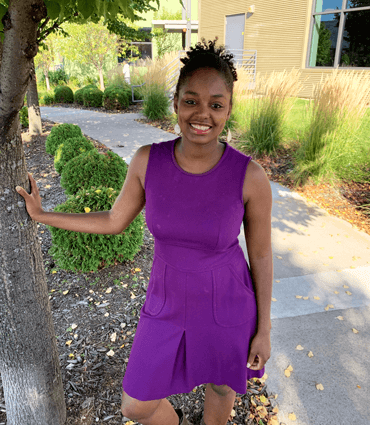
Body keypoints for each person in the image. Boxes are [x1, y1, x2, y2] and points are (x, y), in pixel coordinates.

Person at [16, 38, 273, 425]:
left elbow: (263, 256)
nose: (202, 113)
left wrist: (264, 329)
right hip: (164, 303)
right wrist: (43, 215)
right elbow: (114, 220)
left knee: (221, 386)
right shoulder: (148, 161)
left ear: (228, 110)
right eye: (191, 100)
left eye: (216, 104)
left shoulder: (249, 177)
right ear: (176, 103)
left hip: (228, 305)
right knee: (135, 404)